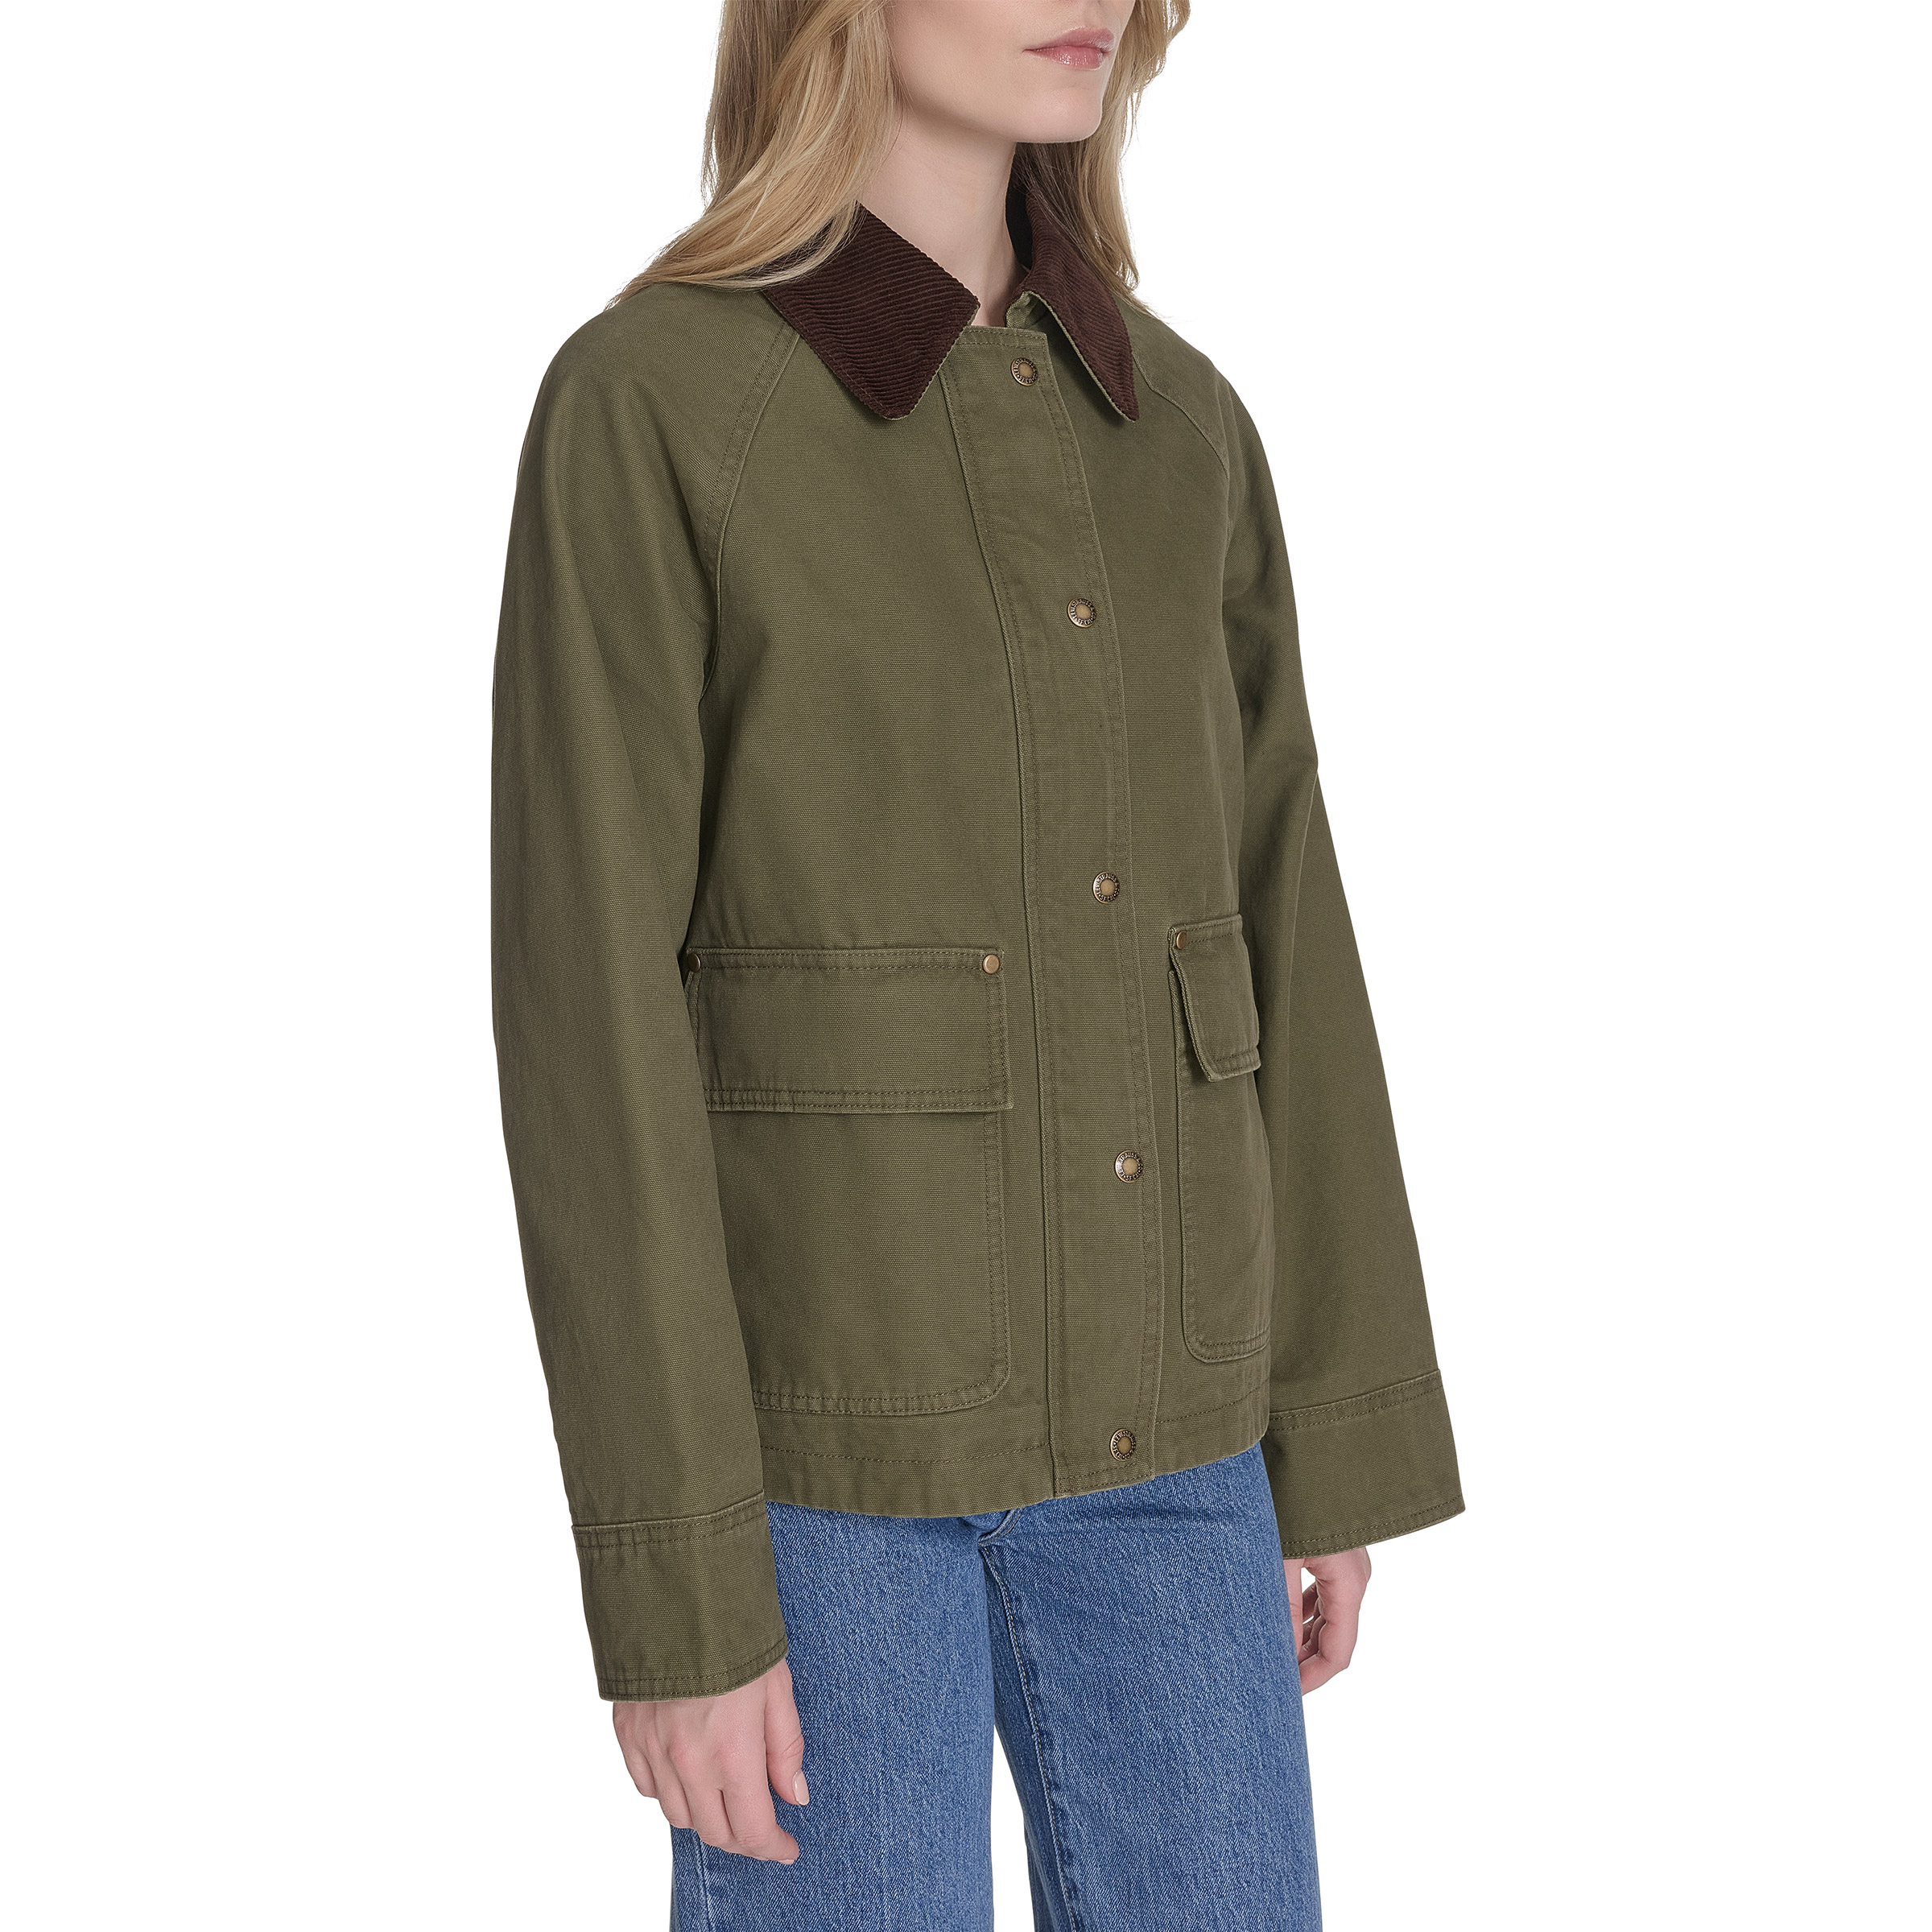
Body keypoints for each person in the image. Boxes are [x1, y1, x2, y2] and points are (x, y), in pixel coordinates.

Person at [490, 3, 1463, 1925]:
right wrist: (682, 1596)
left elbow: (1283, 916)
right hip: (821, 1466)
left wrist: (1327, 1437)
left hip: (1180, 1437)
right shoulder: (656, 401)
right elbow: (591, 1011)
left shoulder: (1183, 428)